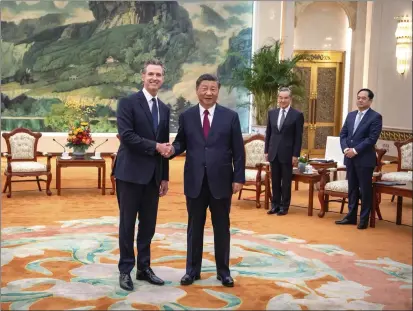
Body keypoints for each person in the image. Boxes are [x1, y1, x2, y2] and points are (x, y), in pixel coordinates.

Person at [165, 74, 245, 287]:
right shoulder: (187, 116)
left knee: (222, 228)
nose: (209, 93)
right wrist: (172, 149)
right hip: (195, 180)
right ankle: (192, 271)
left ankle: (224, 272)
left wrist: (239, 177)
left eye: (213, 89)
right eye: (204, 88)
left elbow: (238, 150)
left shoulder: (230, 117)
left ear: (218, 91)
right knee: (194, 227)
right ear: (197, 90)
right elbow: (181, 142)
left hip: (221, 181)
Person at [113, 59, 172, 291]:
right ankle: (125, 270)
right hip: (129, 174)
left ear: (163, 79)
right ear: (143, 76)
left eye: (158, 75)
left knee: (148, 225)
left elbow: (165, 145)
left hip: (153, 177)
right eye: (151, 74)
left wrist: (165, 176)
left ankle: (144, 268)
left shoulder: (164, 109)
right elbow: (127, 136)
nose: (154, 78)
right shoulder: (127, 103)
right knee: (127, 224)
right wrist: (156, 147)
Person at [335, 88, 382, 229]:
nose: (360, 100)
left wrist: (355, 150)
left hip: (364, 159)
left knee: (365, 189)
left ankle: (364, 219)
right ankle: (351, 216)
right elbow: (343, 135)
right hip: (349, 158)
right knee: (352, 189)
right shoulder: (350, 115)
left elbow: (371, 139)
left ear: (370, 101)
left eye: (363, 98)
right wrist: (345, 149)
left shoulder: (375, 117)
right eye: (358, 97)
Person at [264, 87, 304, 216]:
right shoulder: (272, 113)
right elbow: (268, 134)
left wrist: (295, 155)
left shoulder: (297, 115)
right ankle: (274, 205)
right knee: (274, 181)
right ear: (278, 98)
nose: (283, 100)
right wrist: (266, 151)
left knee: (285, 182)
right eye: (280, 97)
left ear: (290, 99)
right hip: (273, 152)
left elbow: (298, 137)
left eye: (285, 98)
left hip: (288, 154)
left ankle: (284, 206)